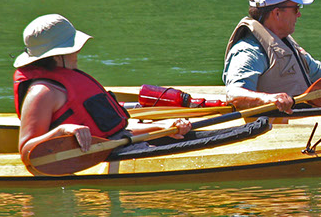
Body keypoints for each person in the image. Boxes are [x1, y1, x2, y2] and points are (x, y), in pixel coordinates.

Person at [13, 14, 192, 163]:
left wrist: (164, 125)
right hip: (79, 162)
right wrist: (62, 131)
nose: (78, 53)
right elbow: (27, 150)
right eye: (74, 48)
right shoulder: (42, 93)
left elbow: (114, 135)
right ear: (59, 54)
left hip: (114, 149)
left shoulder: (68, 80)